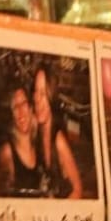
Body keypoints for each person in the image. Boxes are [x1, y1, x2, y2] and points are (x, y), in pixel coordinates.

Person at [33, 66, 83, 199]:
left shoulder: (58, 140)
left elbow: (78, 189)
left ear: (52, 96)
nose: (37, 99)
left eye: (43, 93)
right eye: (36, 91)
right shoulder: (37, 131)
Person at [0, 87, 44, 196]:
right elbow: (4, 197)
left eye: (23, 104)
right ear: (11, 114)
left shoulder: (39, 146)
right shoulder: (8, 151)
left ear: (31, 108)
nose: (20, 112)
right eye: (15, 107)